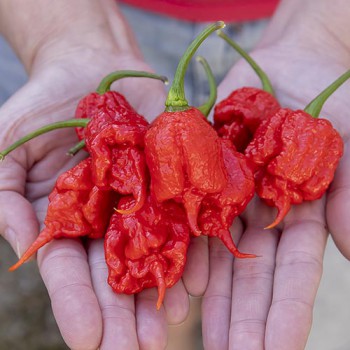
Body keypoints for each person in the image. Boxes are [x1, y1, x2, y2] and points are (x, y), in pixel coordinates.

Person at [0, 0, 349, 349]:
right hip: (92, 15)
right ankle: (173, 334)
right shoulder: (143, 138)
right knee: (191, 263)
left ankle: (178, 328)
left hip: (297, 19)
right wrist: (63, 38)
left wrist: (328, 34)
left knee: (203, 262)